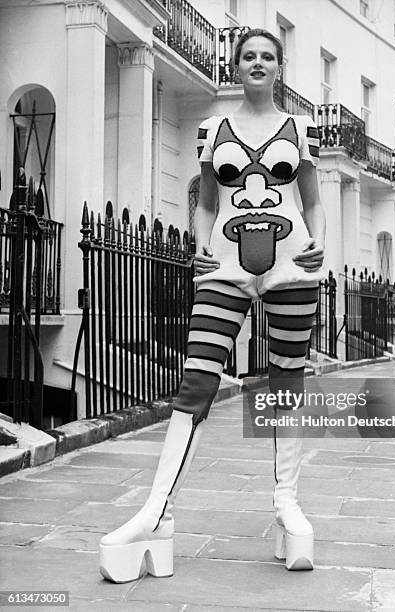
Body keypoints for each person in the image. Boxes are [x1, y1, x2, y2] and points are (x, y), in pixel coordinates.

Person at [99, 28, 326, 583]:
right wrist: (199, 241)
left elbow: (312, 199)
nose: (257, 63)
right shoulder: (210, 129)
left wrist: (321, 245)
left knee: (287, 383)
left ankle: (286, 503)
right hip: (223, 268)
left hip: (293, 266)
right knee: (197, 383)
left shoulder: (300, 129)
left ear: (280, 68)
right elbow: (204, 197)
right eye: (248, 55)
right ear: (234, 64)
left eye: (267, 57)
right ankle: (157, 513)